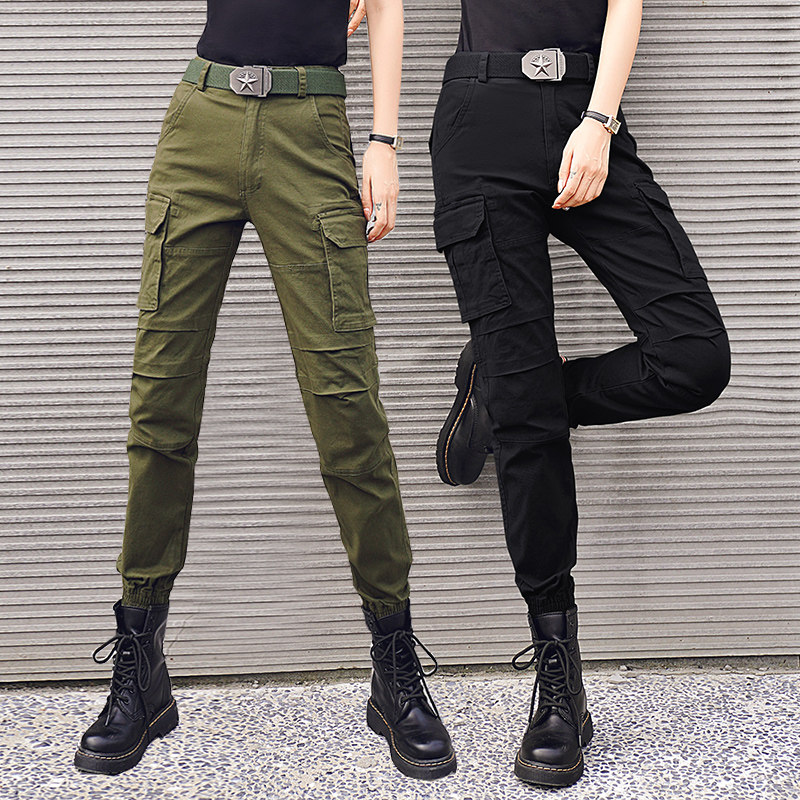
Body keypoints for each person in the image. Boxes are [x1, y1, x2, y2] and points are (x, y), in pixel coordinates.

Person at [74, 0, 456, 781]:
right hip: (201, 119)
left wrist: (383, 141)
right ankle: (140, 666)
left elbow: (386, 6)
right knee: (160, 405)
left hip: (310, 127)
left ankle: (394, 666)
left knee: (348, 406)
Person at [430, 0, 730, 788]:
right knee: (531, 429)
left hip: (586, 112)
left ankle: (508, 392)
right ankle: (559, 683)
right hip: (480, 119)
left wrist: (598, 120)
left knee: (693, 357)